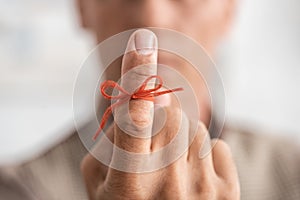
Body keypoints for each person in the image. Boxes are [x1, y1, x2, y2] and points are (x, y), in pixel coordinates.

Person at [1, 0, 300, 199]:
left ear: (229, 10)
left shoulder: (292, 174)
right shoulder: (20, 188)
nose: (151, 17)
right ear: (82, 7)